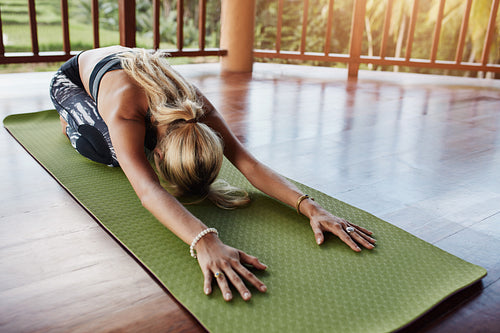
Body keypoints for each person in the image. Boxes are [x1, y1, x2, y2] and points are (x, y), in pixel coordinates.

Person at [50, 45, 376, 302]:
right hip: (73, 79)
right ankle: (71, 121)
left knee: (130, 147)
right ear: (158, 153)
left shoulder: (194, 105)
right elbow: (148, 190)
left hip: (132, 83)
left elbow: (248, 163)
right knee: (113, 154)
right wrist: (204, 240)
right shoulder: (124, 109)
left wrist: (313, 208)